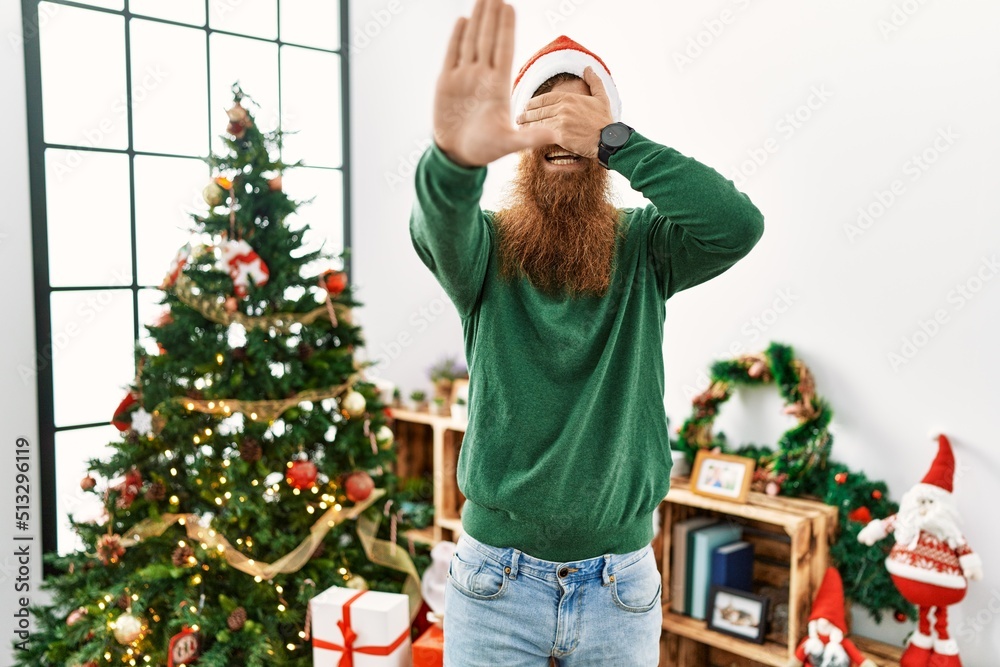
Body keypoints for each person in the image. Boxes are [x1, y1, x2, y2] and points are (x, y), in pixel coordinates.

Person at [408, 0, 765, 664]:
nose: (565, 137)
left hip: (619, 589)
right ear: (519, 140)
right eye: (545, 118)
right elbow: (434, 228)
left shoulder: (647, 247)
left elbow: (737, 225)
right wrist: (453, 158)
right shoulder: (485, 248)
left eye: (584, 120)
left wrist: (621, 141)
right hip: (495, 586)